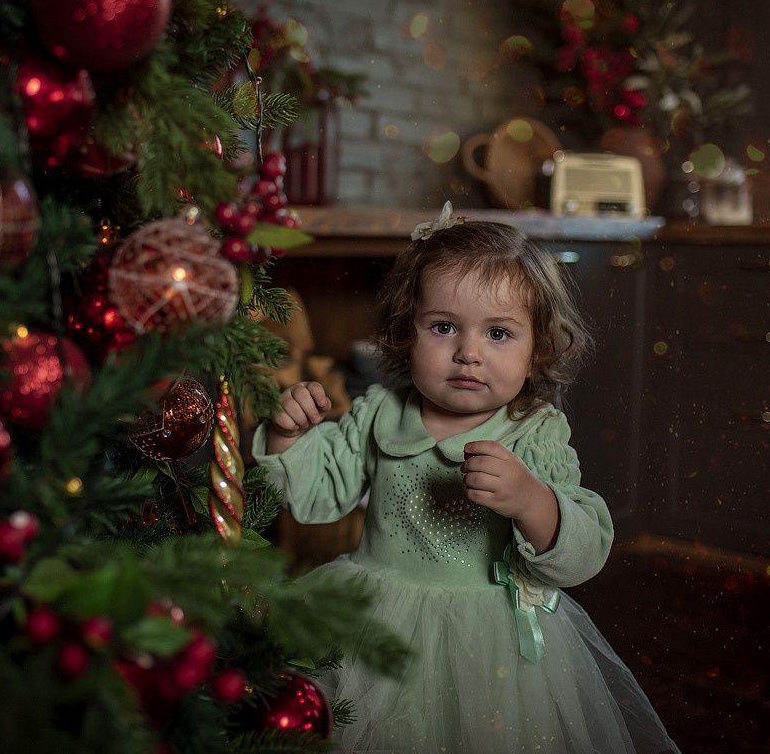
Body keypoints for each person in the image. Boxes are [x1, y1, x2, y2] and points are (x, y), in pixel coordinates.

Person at [252, 203, 680, 753]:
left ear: (538, 350)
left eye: (499, 333)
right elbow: (316, 497)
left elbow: (581, 555)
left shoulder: (535, 433)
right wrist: (290, 436)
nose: (468, 353)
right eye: (444, 327)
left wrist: (532, 501)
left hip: (489, 644)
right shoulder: (381, 413)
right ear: (408, 334)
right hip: (373, 618)